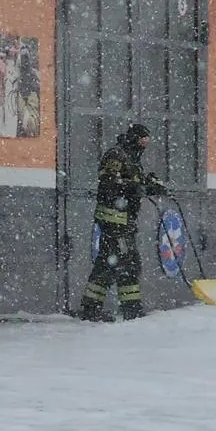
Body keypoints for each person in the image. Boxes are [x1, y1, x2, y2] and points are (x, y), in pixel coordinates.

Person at [78, 122, 167, 323]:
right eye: (142, 140)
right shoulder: (116, 155)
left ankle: (91, 308)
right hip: (113, 221)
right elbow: (110, 183)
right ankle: (132, 310)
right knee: (129, 263)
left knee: (106, 264)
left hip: (124, 222)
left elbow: (133, 182)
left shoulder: (133, 159)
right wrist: (135, 187)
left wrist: (150, 185)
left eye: (147, 141)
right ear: (134, 138)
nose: (145, 145)